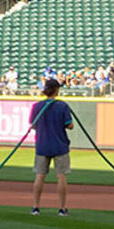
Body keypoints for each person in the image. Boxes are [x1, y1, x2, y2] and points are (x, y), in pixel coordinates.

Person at [29, 77, 74, 215]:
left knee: (39, 176)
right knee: (61, 176)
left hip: (42, 144)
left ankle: (35, 207)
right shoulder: (62, 106)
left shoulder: (36, 106)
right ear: (57, 90)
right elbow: (70, 125)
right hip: (59, 145)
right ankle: (62, 208)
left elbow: (33, 125)